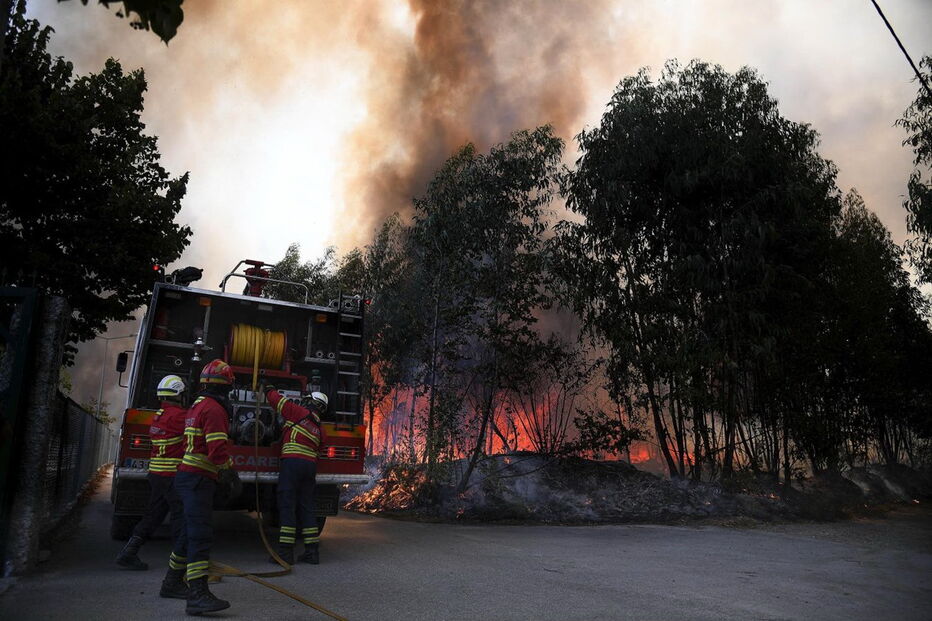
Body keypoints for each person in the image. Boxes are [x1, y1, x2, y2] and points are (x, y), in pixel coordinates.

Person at [174, 359, 239, 615]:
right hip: (199, 479)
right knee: (200, 536)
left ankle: (171, 581)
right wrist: (229, 474)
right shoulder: (214, 410)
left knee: (187, 533)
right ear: (226, 387)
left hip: (188, 476)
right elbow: (217, 450)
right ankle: (198, 594)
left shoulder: (197, 405)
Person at [116, 374, 188, 582]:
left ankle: (129, 552)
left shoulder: (158, 416)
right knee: (180, 517)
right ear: (179, 394)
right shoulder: (180, 417)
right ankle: (180, 563)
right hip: (172, 476)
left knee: (153, 515)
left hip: (156, 475)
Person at [264, 383, 327, 565]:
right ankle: (312, 552)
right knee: (306, 507)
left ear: (310, 402)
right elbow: (320, 449)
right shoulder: (321, 429)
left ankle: (285, 552)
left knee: (287, 505)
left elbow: (278, 402)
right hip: (309, 467)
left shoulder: (299, 413)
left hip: (292, 464)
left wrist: (268, 388)